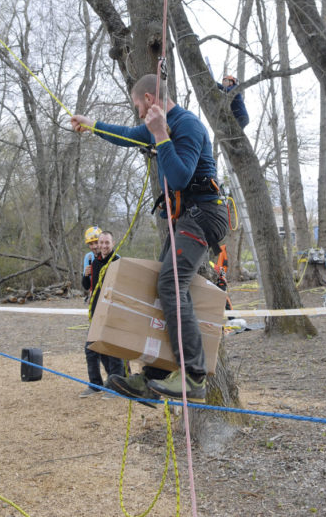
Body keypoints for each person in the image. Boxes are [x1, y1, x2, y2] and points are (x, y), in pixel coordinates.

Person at [71, 74, 229, 404]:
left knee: (171, 284)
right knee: (164, 285)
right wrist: (92, 125)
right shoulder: (158, 125)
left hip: (204, 216)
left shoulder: (187, 125)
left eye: (137, 106)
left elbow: (180, 175)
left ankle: (194, 375)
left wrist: (159, 134)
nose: (138, 113)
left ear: (148, 98)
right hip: (187, 217)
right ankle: (155, 378)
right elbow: (128, 136)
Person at [80, 230, 125, 397]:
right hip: (96, 312)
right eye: (101, 243)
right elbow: (87, 286)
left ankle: (116, 386)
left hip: (112, 312)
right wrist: (86, 275)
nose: (104, 246)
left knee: (112, 351)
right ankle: (95, 384)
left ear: (112, 244)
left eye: (107, 243)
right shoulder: (94, 262)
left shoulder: (117, 261)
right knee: (91, 349)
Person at [81, 225, 102, 299]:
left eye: (96, 242)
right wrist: (86, 276)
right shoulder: (88, 257)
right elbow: (86, 286)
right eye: (91, 244)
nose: (94, 246)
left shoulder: (115, 257)